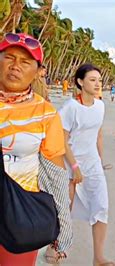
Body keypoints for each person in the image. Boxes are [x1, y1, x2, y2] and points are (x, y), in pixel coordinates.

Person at [0, 32, 72, 265]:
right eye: (9, 58)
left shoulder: (46, 113)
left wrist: (63, 222)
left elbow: (56, 174)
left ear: (38, 70)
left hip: (20, 213)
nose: (15, 66)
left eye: (25, 62)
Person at [58, 64, 114, 265]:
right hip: (69, 163)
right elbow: (62, 140)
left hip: (93, 164)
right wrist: (74, 167)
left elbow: (98, 134)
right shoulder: (70, 108)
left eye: (99, 80)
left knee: (101, 206)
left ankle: (98, 257)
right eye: (92, 79)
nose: (98, 83)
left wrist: (100, 159)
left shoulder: (100, 105)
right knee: (65, 209)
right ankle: (55, 246)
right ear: (80, 82)